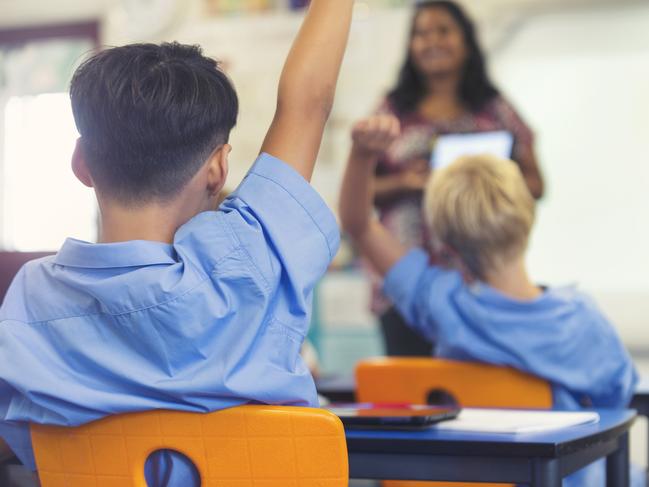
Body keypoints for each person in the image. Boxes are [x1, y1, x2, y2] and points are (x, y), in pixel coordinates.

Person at [0, 1, 354, 485]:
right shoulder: (252, 258)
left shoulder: (29, 299)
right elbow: (308, 102)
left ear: (81, 162)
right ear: (219, 168)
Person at [339, 114, 639, 487]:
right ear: (528, 218)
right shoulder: (580, 319)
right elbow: (618, 397)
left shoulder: (441, 303)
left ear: (446, 244)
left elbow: (358, 224)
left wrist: (362, 154)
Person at [364, 0, 544, 356]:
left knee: (481, 395)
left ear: (465, 41)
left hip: (481, 279)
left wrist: (488, 180)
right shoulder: (392, 109)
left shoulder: (495, 108)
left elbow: (536, 184)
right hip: (404, 280)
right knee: (410, 396)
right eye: (421, 34)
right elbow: (359, 190)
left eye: (443, 31)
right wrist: (406, 183)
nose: (431, 41)